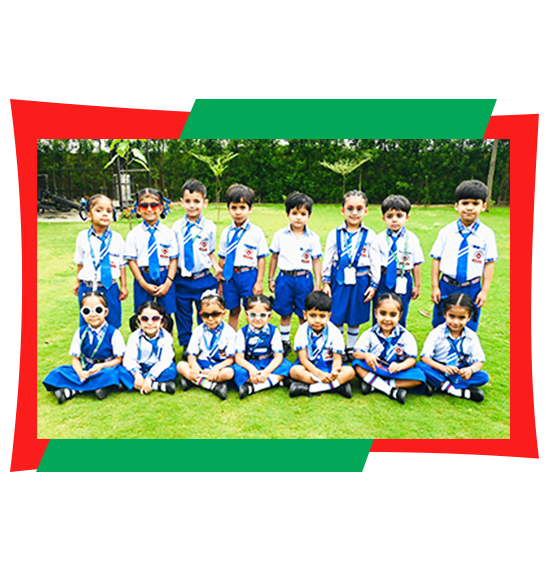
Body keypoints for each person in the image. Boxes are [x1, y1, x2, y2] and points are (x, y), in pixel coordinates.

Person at [430, 179, 498, 331]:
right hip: (447, 285)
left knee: (468, 325)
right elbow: (436, 259)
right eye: (465, 203)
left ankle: (464, 347)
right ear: (457, 206)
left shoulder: (487, 235)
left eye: (475, 203)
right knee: (440, 323)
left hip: (471, 288)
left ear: (484, 206)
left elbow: (489, 263)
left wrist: (484, 291)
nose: (470, 208)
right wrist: (435, 286)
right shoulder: (446, 232)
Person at [322, 190, 380, 361]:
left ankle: (351, 348)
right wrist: (326, 282)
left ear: (366, 211)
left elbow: (375, 261)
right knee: (337, 314)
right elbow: (327, 258)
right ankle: (339, 347)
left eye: (359, 209)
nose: (354, 213)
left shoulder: (370, 235)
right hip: (339, 279)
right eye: (350, 208)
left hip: (361, 279)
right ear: (343, 211)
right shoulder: (335, 233)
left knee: (355, 315)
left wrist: (374, 284)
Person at [43, 291, 125, 403]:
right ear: (82, 313)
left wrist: (102, 366)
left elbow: (119, 359)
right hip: (86, 366)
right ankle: (98, 387)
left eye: (98, 310)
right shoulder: (80, 332)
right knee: (57, 372)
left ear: (105, 312)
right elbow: (75, 358)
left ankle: (72, 390)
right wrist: (80, 372)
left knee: (112, 374)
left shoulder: (114, 333)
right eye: (87, 311)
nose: (93, 315)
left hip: (105, 367)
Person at [268, 191, 322, 356]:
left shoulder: (313, 237)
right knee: (284, 311)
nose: (299, 217)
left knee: (303, 313)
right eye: (294, 213)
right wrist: (270, 278)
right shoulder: (280, 235)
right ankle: (285, 342)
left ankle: (302, 342)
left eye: (303, 214)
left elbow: (316, 260)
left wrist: (318, 283)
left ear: (309, 216)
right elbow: (274, 257)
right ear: (287, 214)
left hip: (304, 279)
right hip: (285, 278)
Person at [171, 179, 222, 350]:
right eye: (188, 201)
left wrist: (216, 268)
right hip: (182, 279)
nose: (192, 205)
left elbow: (210, 251)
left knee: (206, 313)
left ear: (204, 203)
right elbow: (174, 254)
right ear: (182, 202)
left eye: (196, 201)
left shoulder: (210, 227)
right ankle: (187, 345)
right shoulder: (176, 227)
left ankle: (205, 345)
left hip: (203, 278)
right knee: (183, 314)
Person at [352, 293, 427, 405]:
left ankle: (376, 385)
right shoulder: (369, 334)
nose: (387, 319)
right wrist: (366, 355)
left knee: (419, 377)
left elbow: (411, 359)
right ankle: (390, 390)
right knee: (357, 364)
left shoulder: (406, 336)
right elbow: (356, 353)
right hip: (375, 369)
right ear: (376, 313)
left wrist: (400, 366)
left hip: (395, 372)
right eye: (383, 313)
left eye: (393, 315)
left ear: (400, 316)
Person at [416, 293, 489, 402]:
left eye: (461, 318)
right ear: (445, 314)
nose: (455, 322)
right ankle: (456, 391)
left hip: (459, 371)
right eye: (452, 316)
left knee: (483, 376)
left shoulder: (471, 336)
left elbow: (479, 362)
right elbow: (424, 357)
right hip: (439, 368)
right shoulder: (436, 333)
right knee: (420, 366)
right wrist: (442, 368)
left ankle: (439, 385)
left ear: (469, 317)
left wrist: (470, 370)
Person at [218, 184, 269, 329]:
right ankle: (232, 337)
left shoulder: (256, 232)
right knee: (233, 309)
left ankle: (251, 336)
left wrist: (259, 282)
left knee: (251, 308)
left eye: (242, 207)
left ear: (250, 209)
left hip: (248, 276)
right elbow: (222, 258)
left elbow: (261, 258)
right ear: (228, 209)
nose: (238, 212)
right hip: (230, 277)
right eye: (234, 208)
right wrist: (221, 282)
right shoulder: (226, 233)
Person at [73, 194, 128, 328]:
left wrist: (123, 286)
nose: (104, 214)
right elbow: (80, 262)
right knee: (88, 322)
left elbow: (121, 265)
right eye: (99, 210)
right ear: (89, 215)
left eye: (109, 211)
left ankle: (112, 342)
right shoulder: (82, 237)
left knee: (113, 322)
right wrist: (78, 282)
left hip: (110, 287)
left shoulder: (117, 238)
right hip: (88, 287)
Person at [289, 291, 355, 398]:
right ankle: (336, 387)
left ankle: (309, 388)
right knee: (294, 371)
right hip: (309, 367)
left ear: (329, 316)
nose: (317, 320)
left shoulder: (334, 331)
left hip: (329, 365)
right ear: (305, 315)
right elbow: (303, 359)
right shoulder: (302, 331)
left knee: (350, 372)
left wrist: (334, 372)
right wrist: (319, 374)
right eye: (313, 315)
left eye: (322, 316)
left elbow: (337, 358)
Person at [124, 188, 178, 317]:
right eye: (144, 205)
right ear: (138, 209)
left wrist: (168, 283)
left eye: (154, 205)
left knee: (166, 315)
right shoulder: (134, 234)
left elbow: (173, 259)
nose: (149, 209)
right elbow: (132, 260)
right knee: (143, 314)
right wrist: (143, 283)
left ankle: (166, 332)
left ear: (161, 208)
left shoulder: (168, 233)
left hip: (164, 276)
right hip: (143, 276)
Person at [373, 195, 424, 328]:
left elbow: (416, 264)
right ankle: (377, 335)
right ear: (383, 218)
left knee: (400, 309)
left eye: (399, 215)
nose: (394, 220)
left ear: (407, 217)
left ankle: (399, 336)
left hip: (403, 278)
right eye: (390, 216)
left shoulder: (412, 239)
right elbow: (374, 264)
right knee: (380, 308)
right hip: (383, 278)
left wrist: (417, 285)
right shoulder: (378, 239)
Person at [177, 290, 236, 401]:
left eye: (215, 314)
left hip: (220, 365)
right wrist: (194, 366)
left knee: (229, 373)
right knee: (180, 365)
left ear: (223, 313)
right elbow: (191, 354)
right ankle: (214, 386)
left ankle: (193, 381)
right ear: (200, 314)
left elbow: (231, 359)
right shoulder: (198, 331)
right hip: (202, 364)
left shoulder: (230, 332)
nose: (210, 319)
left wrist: (217, 368)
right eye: (205, 315)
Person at [232, 295, 292, 400]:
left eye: (263, 315)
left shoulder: (274, 331)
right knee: (237, 371)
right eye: (253, 315)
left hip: (268, 361)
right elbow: (239, 358)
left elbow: (278, 356)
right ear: (246, 314)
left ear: (269, 316)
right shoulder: (242, 332)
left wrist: (267, 371)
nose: (257, 319)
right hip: (250, 362)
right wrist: (251, 369)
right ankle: (276, 381)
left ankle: (253, 387)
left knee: (286, 366)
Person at [119, 301, 178, 395]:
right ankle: (157, 386)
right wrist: (137, 375)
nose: (150, 323)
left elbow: (165, 361)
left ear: (162, 322)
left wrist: (150, 377)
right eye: (145, 319)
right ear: (139, 323)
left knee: (172, 370)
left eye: (155, 318)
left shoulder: (166, 337)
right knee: (120, 370)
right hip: (139, 368)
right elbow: (129, 359)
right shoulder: (134, 337)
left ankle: (133, 384)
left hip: (158, 367)